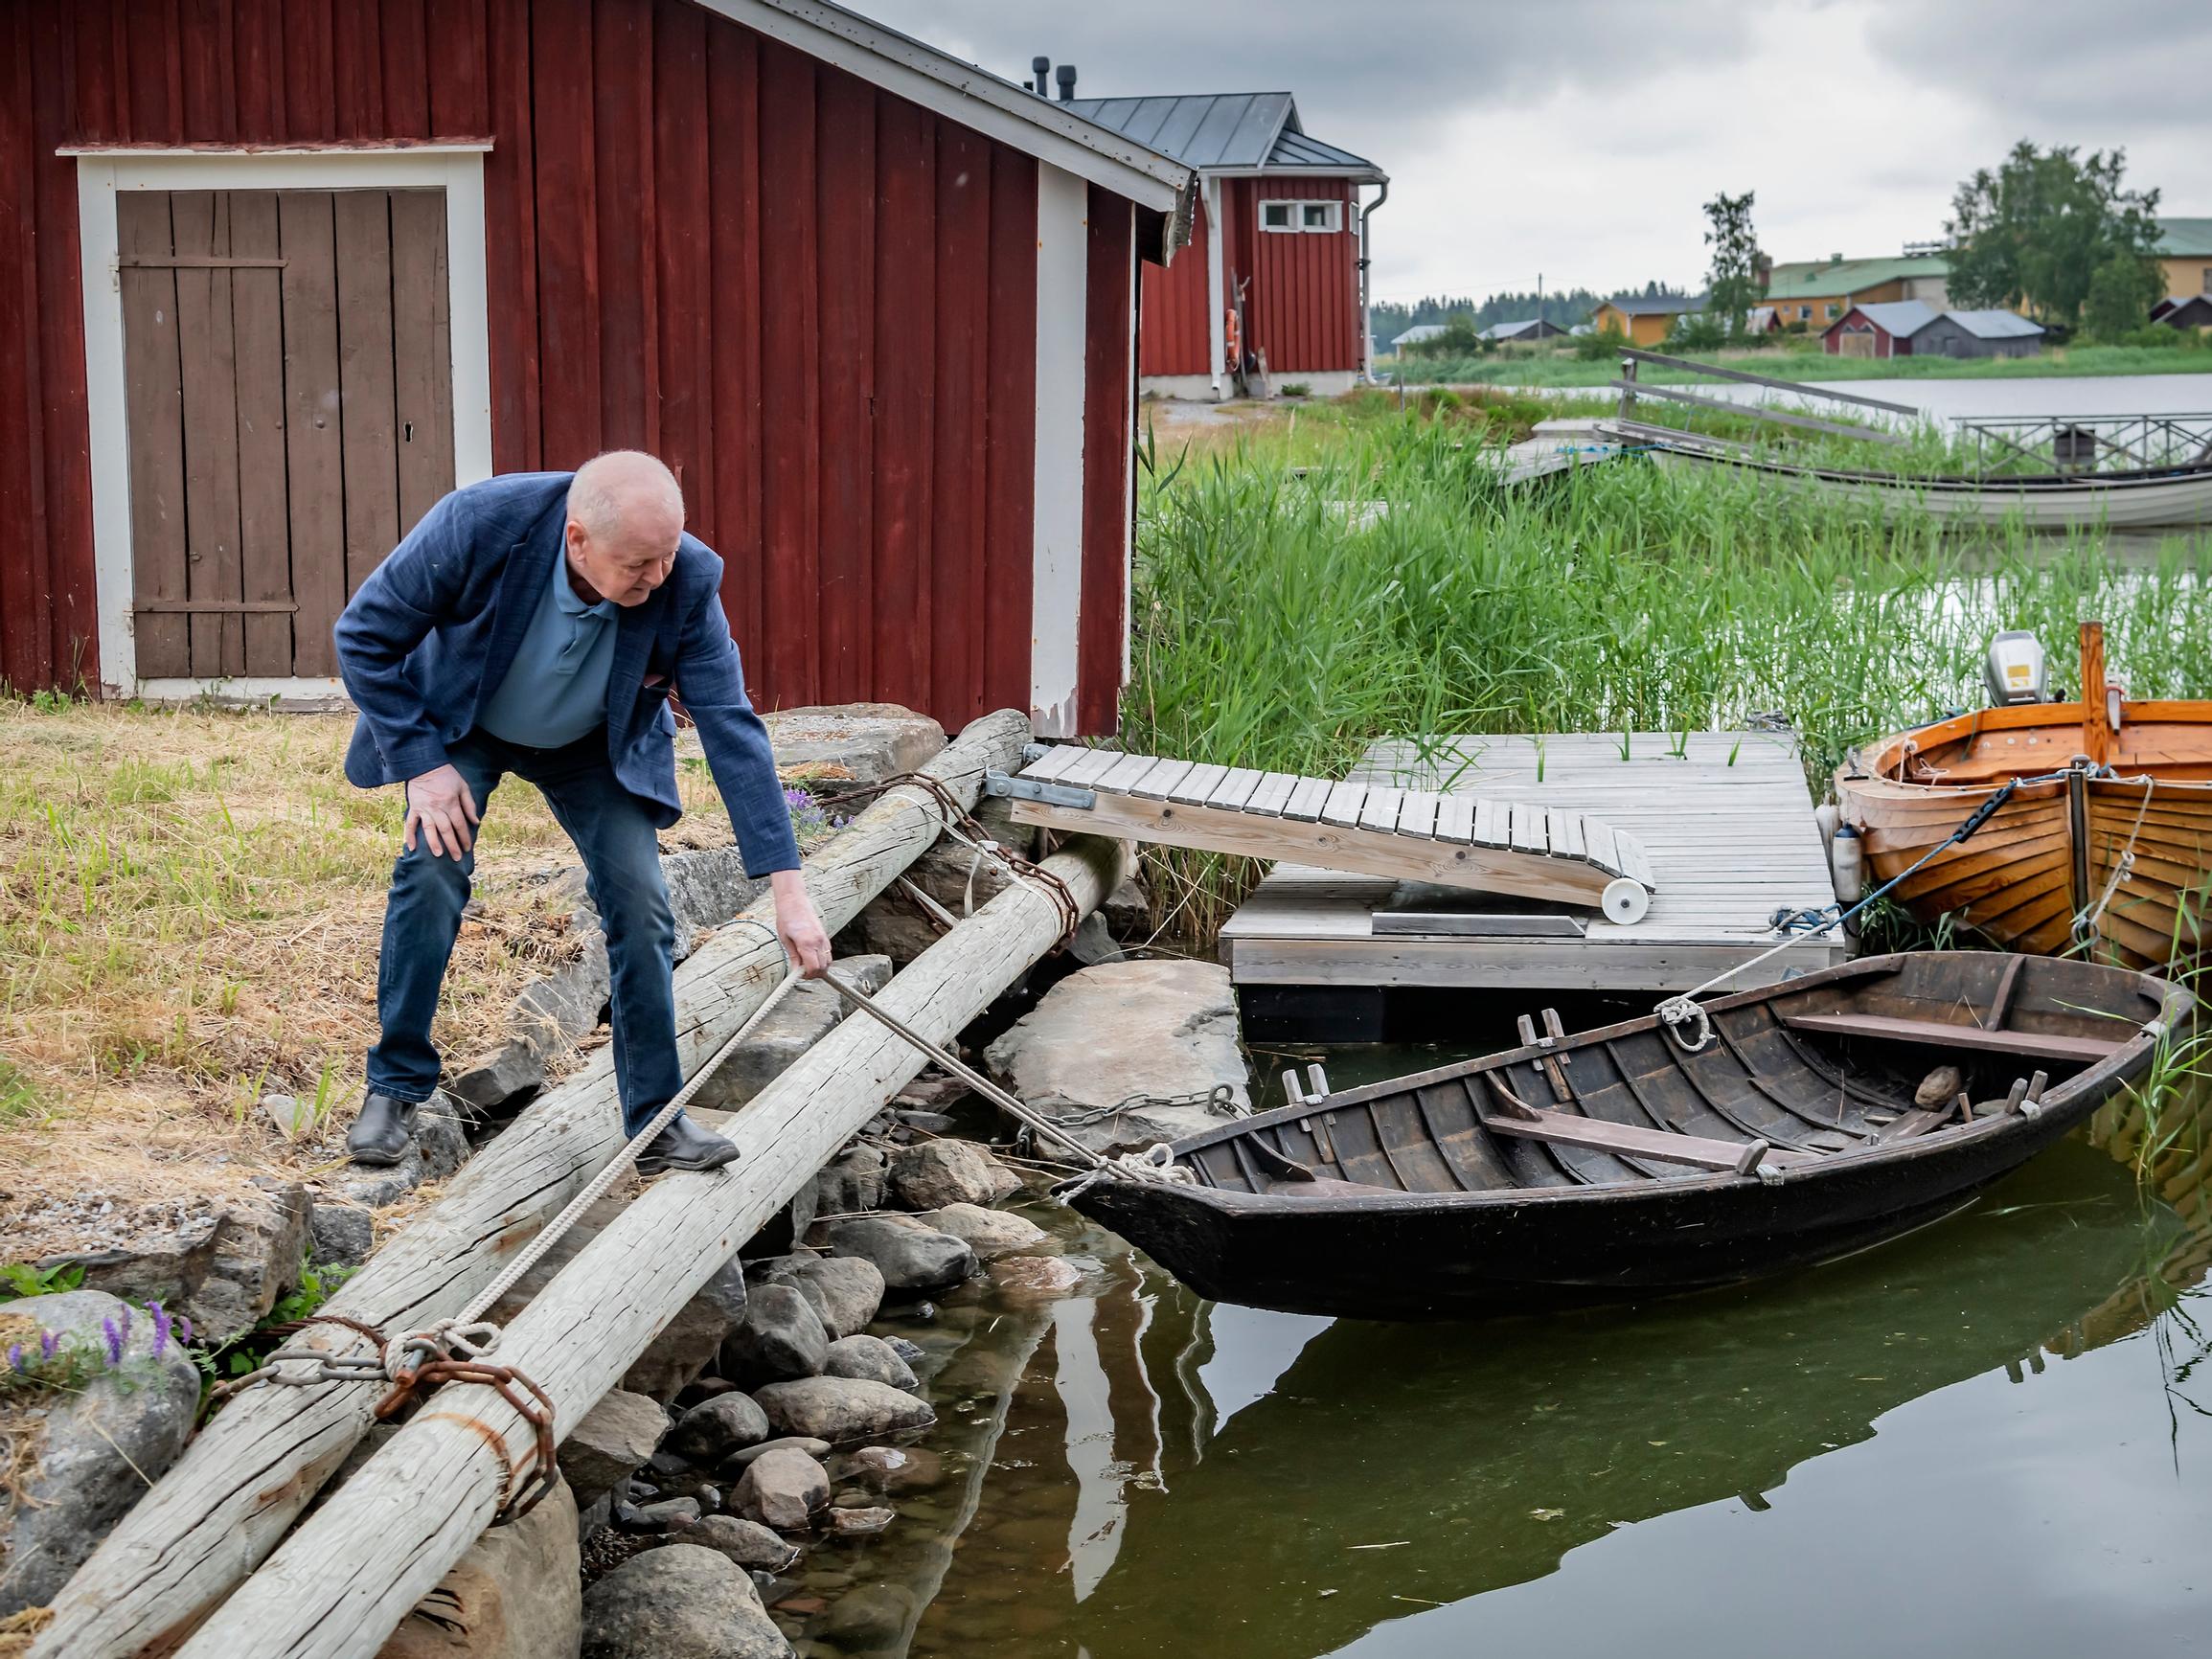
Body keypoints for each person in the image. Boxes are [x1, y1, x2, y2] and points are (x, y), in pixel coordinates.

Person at [332, 451, 831, 1175]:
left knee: (643, 906)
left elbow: (730, 726)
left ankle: (656, 1124)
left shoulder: (686, 574)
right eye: (636, 564)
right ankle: (394, 1087)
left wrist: (790, 892)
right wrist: (421, 766)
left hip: (595, 744)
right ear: (576, 541)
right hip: (461, 726)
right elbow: (364, 637)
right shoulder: (479, 524)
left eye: (664, 558)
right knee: (432, 869)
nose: (656, 578)